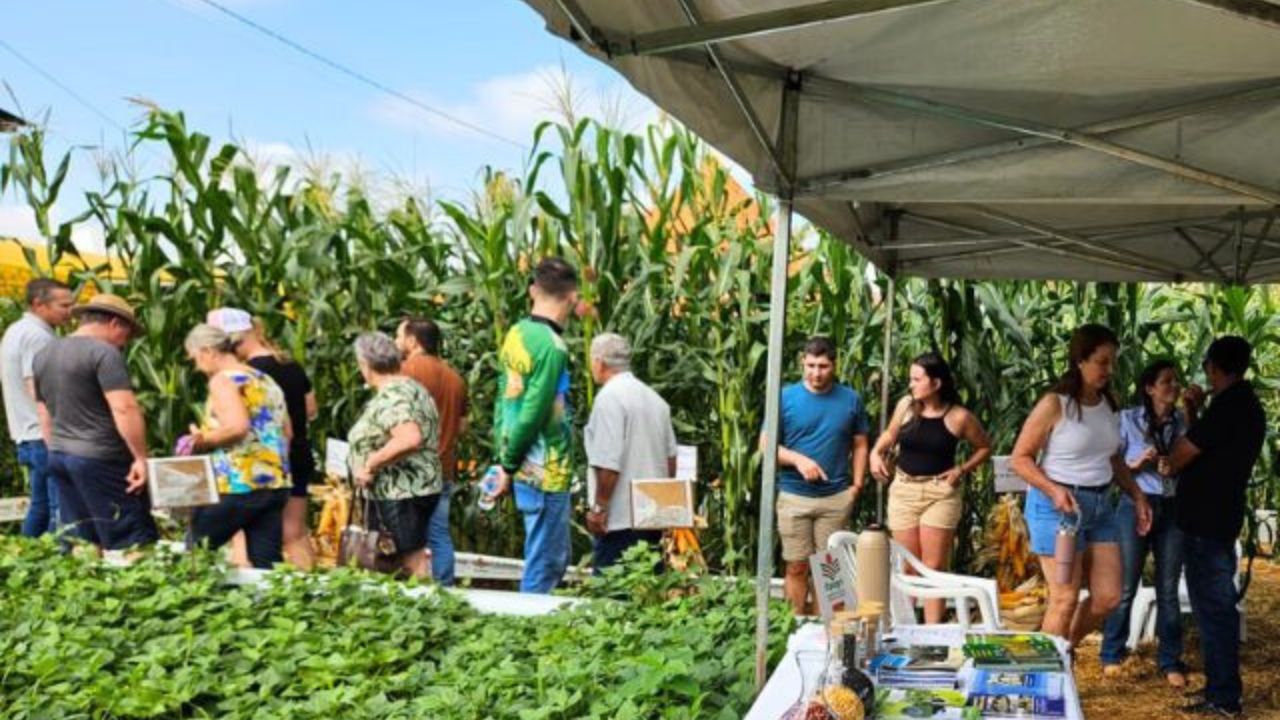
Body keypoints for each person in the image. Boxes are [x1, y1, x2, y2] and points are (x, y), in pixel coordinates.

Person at [1011, 324, 1152, 648]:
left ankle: (1062, 650)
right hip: (1057, 509)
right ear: (1080, 360)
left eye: (1112, 362)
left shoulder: (1109, 404)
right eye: (1102, 361)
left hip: (1100, 507)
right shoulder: (1055, 404)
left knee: (1108, 597)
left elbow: (1113, 459)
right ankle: (1051, 670)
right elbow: (1020, 459)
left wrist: (1137, 495)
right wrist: (1053, 489)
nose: (1109, 369)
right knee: (1064, 599)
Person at [1167, 336, 1266, 718]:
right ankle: (1219, 691)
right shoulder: (1243, 404)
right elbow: (1204, 445)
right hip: (1220, 517)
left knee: (1214, 610)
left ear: (1213, 366)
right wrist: (1193, 409)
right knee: (1216, 608)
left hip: (1207, 522)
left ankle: (1224, 697)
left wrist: (1172, 454)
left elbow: (1181, 455)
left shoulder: (1229, 406)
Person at [870, 352, 991, 623]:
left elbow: (984, 447)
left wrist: (961, 469)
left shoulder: (959, 417)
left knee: (933, 566)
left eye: (916, 379)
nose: (910, 385)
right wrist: (875, 453)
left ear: (936, 383)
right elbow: (890, 434)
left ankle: (933, 632)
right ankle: (907, 629)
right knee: (908, 565)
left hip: (940, 492)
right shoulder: (905, 406)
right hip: (904, 489)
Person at [33, 293, 156, 552]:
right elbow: (124, 408)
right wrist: (140, 458)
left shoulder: (45, 353)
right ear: (115, 323)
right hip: (101, 459)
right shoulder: (103, 353)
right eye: (127, 334)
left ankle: (88, 577)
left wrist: (54, 448)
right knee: (131, 541)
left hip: (60, 456)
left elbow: (43, 412)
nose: (125, 343)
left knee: (84, 542)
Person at [486, 257, 578, 594]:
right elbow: (533, 412)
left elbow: (504, 400)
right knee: (547, 561)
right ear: (573, 297)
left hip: (522, 462)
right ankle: (530, 625)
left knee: (542, 555)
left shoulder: (517, 334)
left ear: (532, 291)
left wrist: (504, 459)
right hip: (546, 469)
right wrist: (508, 465)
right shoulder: (553, 348)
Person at [1099, 359, 1188, 687]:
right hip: (1134, 504)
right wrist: (1137, 464)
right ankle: (1112, 653)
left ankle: (1170, 660)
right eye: (1166, 381)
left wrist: (1173, 465)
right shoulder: (1127, 419)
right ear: (1149, 388)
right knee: (1126, 586)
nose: (1174, 387)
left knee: (1168, 588)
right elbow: (1112, 466)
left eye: (1176, 381)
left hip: (1172, 506)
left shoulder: (1182, 421)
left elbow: (1193, 462)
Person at [766, 335, 869, 616]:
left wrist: (857, 485)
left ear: (834, 365)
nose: (816, 373)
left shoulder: (850, 399)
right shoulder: (784, 397)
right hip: (794, 496)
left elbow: (861, 444)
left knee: (829, 569)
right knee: (796, 566)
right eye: (811, 365)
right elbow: (766, 445)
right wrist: (798, 460)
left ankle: (829, 630)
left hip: (835, 497)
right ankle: (794, 626)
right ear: (802, 362)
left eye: (823, 366)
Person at [209, 308, 319, 570]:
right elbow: (311, 408)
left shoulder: (245, 375)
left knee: (243, 537)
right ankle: (311, 588)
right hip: (298, 455)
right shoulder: (291, 366)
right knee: (294, 533)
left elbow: (236, 423)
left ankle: (246, 592)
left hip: (260, 464)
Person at [182, 324, 292, 569]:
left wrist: (201, 440)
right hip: (275, 482)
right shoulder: (265, 380)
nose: (197, 367)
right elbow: (287, 432)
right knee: (266, 562)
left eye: (195, 358)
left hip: (239, 481)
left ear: (208, 351)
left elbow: (237, 427)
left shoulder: (223, 381)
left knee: (194, 551)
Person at [347, 332, 443, 579]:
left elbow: (409, 438)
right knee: (410, 556)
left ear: (365, 364)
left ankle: (417, 600)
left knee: (406, 561)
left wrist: (370, 464)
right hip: (420, 486)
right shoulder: (412, 387)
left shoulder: (392, 395)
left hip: (400, 491)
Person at [583, 333, 677, 572]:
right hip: (652, 518)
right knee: (648, 588)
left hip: (618, 521)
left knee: (612, 590)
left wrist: (599, 509)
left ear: (599, 362)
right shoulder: (655, 400)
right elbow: (670, 460)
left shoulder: (609, 399)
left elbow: (608, 462)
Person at [396, 315, 467, 586]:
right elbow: (462, 426)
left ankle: (414, 590)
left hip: (412, 468)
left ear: (413, 341)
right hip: (443, 467)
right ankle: (444, 589)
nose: (396, 342)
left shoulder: (406, 372)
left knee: (408, 536)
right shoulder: (454, 378)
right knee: (439, 535)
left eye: (399, 336)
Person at [2, 278, 73, 536]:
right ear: (38, 304)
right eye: (63, 305)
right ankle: (58, 555)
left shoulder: (16, 330)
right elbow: (37, 385)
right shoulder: (38, 336)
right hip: (43, 434)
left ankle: (28, 554)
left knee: (40, 507)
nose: (70, 311)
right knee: (59, 508)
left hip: (26, 434)